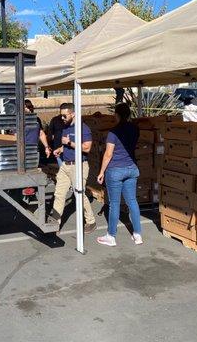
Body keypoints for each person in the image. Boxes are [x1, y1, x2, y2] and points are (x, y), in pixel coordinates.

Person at [96, 103, 142, 246]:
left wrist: (101, 171)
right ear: (128, 114)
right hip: (131, 168)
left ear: (116, 115)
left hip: (115, 170)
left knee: (114, 203)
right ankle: (138, 234)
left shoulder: (113, 133)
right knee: (132, 201)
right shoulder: (135, 129)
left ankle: (111, 236)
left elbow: (108, 154)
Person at [52, 103, 96, 233]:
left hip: (79, 165)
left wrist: (69, 143)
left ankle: (91, 221)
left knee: (79, 194)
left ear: (73, 114)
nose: (62, 118)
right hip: (66, 165)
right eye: (61, 116)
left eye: (64, 115)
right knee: (59, 194)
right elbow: (66, 146)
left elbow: (87, 148)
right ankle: (55, 223)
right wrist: (60, 149)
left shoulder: (83, 128)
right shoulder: (66, 127)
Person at [21, 99, 51, 196]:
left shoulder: (36, 119)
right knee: (25, 170)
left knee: (34, 168)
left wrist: (46, 147)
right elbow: (15, 136)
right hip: (23, 150)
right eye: (26, 107)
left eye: (30, 107)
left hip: (35, 149)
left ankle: (30, 188)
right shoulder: (20, 120)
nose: (29, 109)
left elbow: (41, 133)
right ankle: (25, 189)